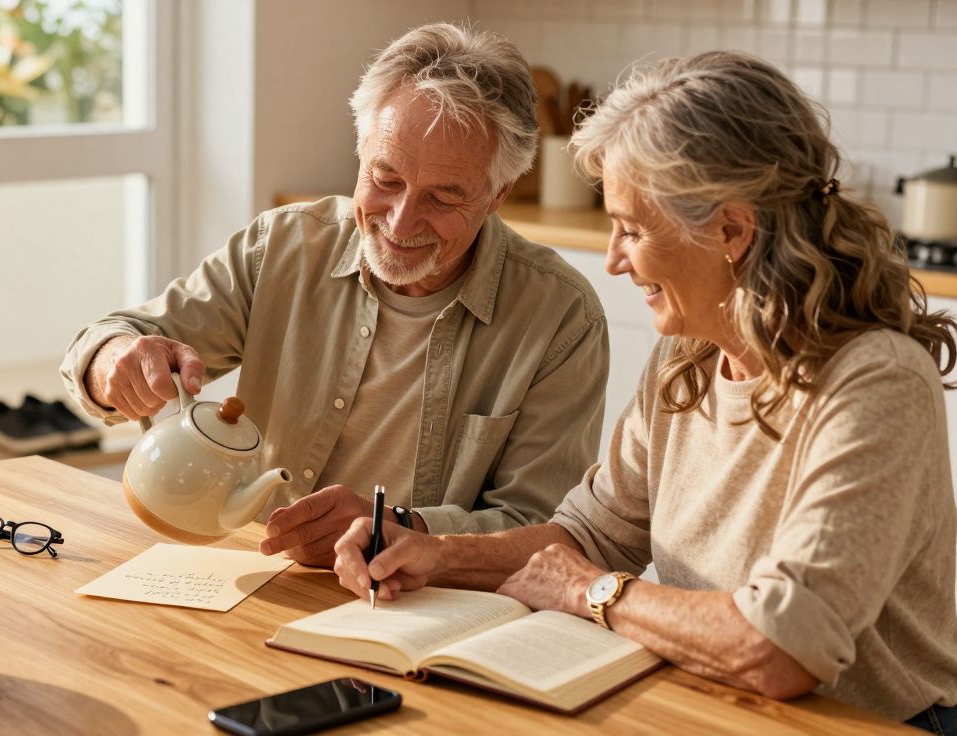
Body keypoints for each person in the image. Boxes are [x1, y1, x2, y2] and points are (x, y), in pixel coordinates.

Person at [332, 51, 957, 728]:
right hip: (715, 705)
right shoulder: (687, 357)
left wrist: (592, 592)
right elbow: (587, 533)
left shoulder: (876, 383)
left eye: (631, 228)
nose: (613, 259)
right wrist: (430, 552)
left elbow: (783, 646)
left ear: (730, 231)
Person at [61, 23, 609, 567]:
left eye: (443, 197)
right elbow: (113, 339)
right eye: (385, 178)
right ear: (361, 149)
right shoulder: (283, 245)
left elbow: (543, 529)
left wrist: (393, 529)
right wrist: (113, 362)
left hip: (417, 607)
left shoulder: (561, 316)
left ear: (498, 194)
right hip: (253, 577)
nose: (400, 220)